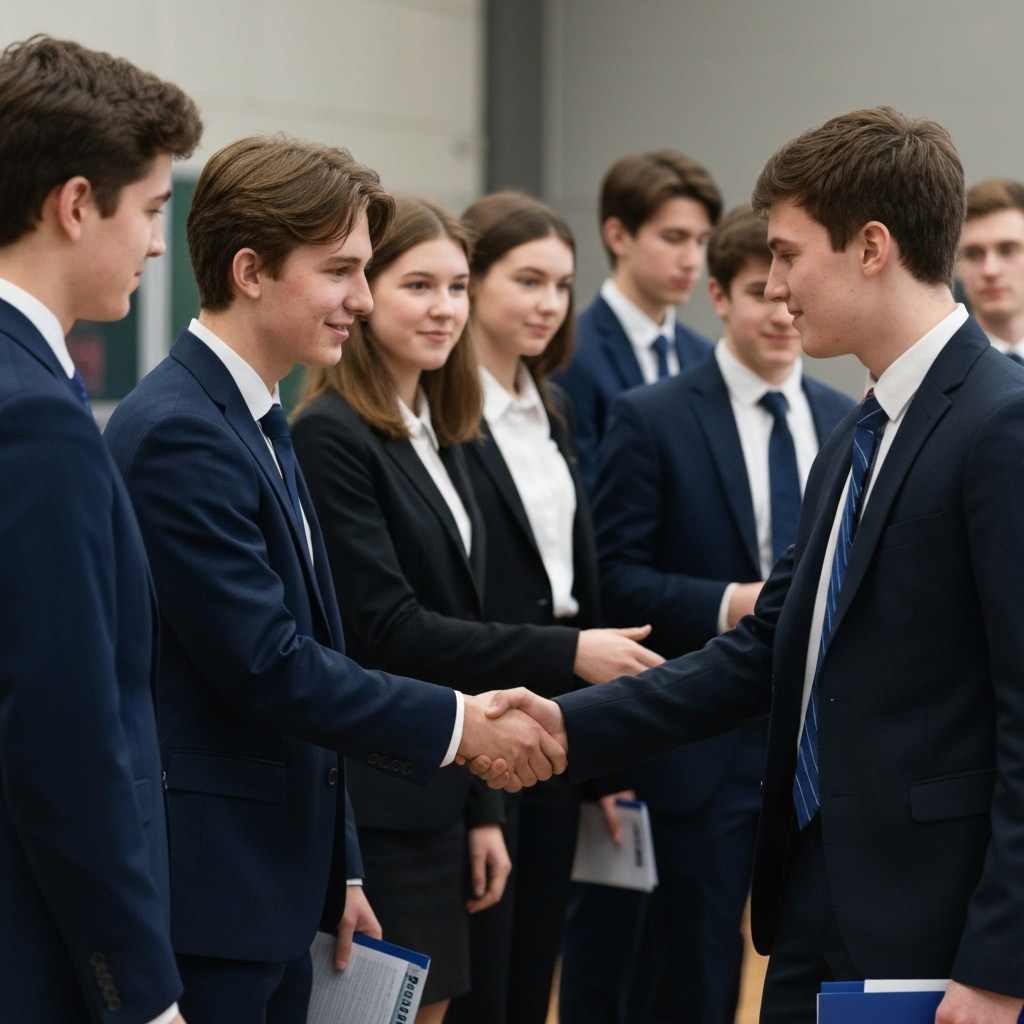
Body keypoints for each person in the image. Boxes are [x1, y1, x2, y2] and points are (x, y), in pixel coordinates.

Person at [477, 108, 1024, 1024]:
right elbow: (769, 648)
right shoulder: (856, 432)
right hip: (813, 900)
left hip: (941, 929)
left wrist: (1002, 964)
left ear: (872, 246)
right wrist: (566, 726)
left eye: (786, 254)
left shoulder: (1000, 425)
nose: (771, 285)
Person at [104, 139, 565, 1024]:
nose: (361, 297)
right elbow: (268, 665)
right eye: (342, 271)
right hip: (215, 897)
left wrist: (339, 868)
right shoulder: (179, 432)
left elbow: (314, 651)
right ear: (250, 270)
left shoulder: (255, 414)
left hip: (282, 884)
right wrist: (464, 722)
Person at [290, 194, 659, 1024]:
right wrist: (568, 655)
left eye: (456, 287)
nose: (445, 308)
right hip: (386, 795)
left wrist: (482, 808)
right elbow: (385, 628)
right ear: (362, 292)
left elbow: (456, 604)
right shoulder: (331, 433)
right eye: (419, 285)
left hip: (450, 786)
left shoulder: (438, 429)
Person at [559, 204, 854, 1024]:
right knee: (689, 972)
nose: (781, 309)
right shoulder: (650, 416)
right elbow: (613, 579)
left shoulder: (847, 419)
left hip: (814, 747)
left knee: (811, 957)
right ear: (718, 297)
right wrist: (734, 604)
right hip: (697, 749)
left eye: (788, 289)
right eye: (760, 291)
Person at [0, 36, 201, 1024]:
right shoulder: (34, 413)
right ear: (77, 204)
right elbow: (64, 731)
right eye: (154, 209)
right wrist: (140, 988)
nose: (159, 243)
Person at [445, 192, 657, 1024]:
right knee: (485, 983)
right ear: (473, 282)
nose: (547, 304)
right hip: (492, 702)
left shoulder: (554, 407)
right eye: (526, 279)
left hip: (563, 710)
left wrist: (601, 755)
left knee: (537, 969)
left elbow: (580, 571)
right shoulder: (443, 417)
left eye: (563, 285)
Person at [553, 149, 722, 491]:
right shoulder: (570, 351)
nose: (692, 260)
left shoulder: (706, 355)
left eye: (702, 241)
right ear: (617, 237)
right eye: (673, 238)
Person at [957, 179, 1024, 361]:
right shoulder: (937, 369)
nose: (990, 271)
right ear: (955, 266)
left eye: (1008, 250)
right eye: (973, 254)